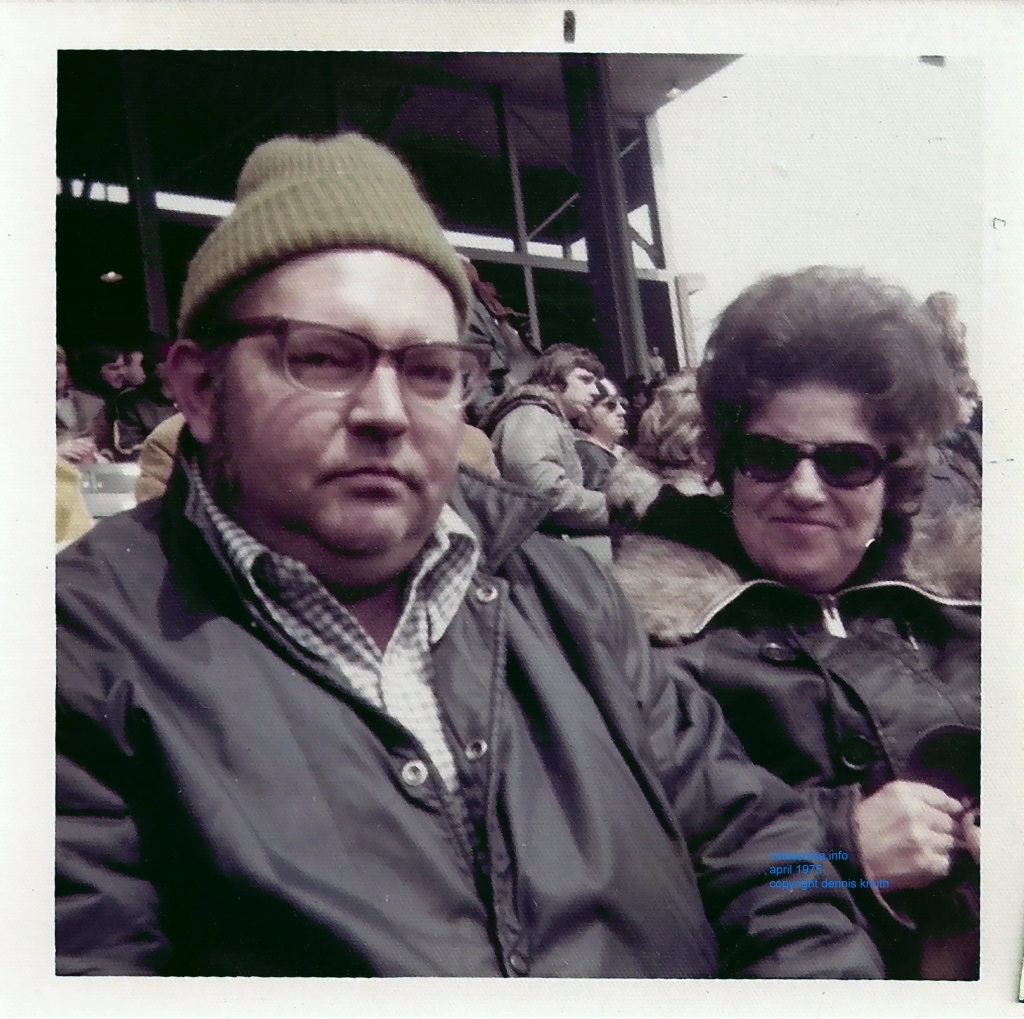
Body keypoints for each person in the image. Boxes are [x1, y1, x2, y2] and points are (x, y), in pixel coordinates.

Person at [56, 134, 882, 978]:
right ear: (199, 387)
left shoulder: (573, 598)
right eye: (323, 357)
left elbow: (770, 851)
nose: (385, 410)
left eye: (429, 369)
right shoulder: (69, 650)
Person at [608, 267, 980, 979]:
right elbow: (631, 867)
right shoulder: (646, 644)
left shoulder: (974, 601)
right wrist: (838, 845)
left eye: (845, 462)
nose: (804, 489)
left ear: (893, 478)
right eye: (771, 456)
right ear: (727, 464)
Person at [479, 343, 608, 535]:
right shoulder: (532, 416)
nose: (595, 391)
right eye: (585, 380)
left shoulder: (543, 417)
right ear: (554, 381)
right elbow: (545, 495)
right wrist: (617, 510)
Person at [93, 336, 180, 461]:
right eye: (171, 360)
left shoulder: (193, 397)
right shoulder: (130, 402)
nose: (180, 366)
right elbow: (128, 449)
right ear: (157, 368)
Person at [574, 378, 627, 491]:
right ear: (587, 411)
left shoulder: (615, 451)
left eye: (622, 403)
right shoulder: (589, 454)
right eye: (610, 405)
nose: (622, 411)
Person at [55, 345, 104, 464]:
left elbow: (106, 446)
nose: (55, 370)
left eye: (58, 362)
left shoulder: (93, 404)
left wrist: (100, 457)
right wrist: (56, 452)